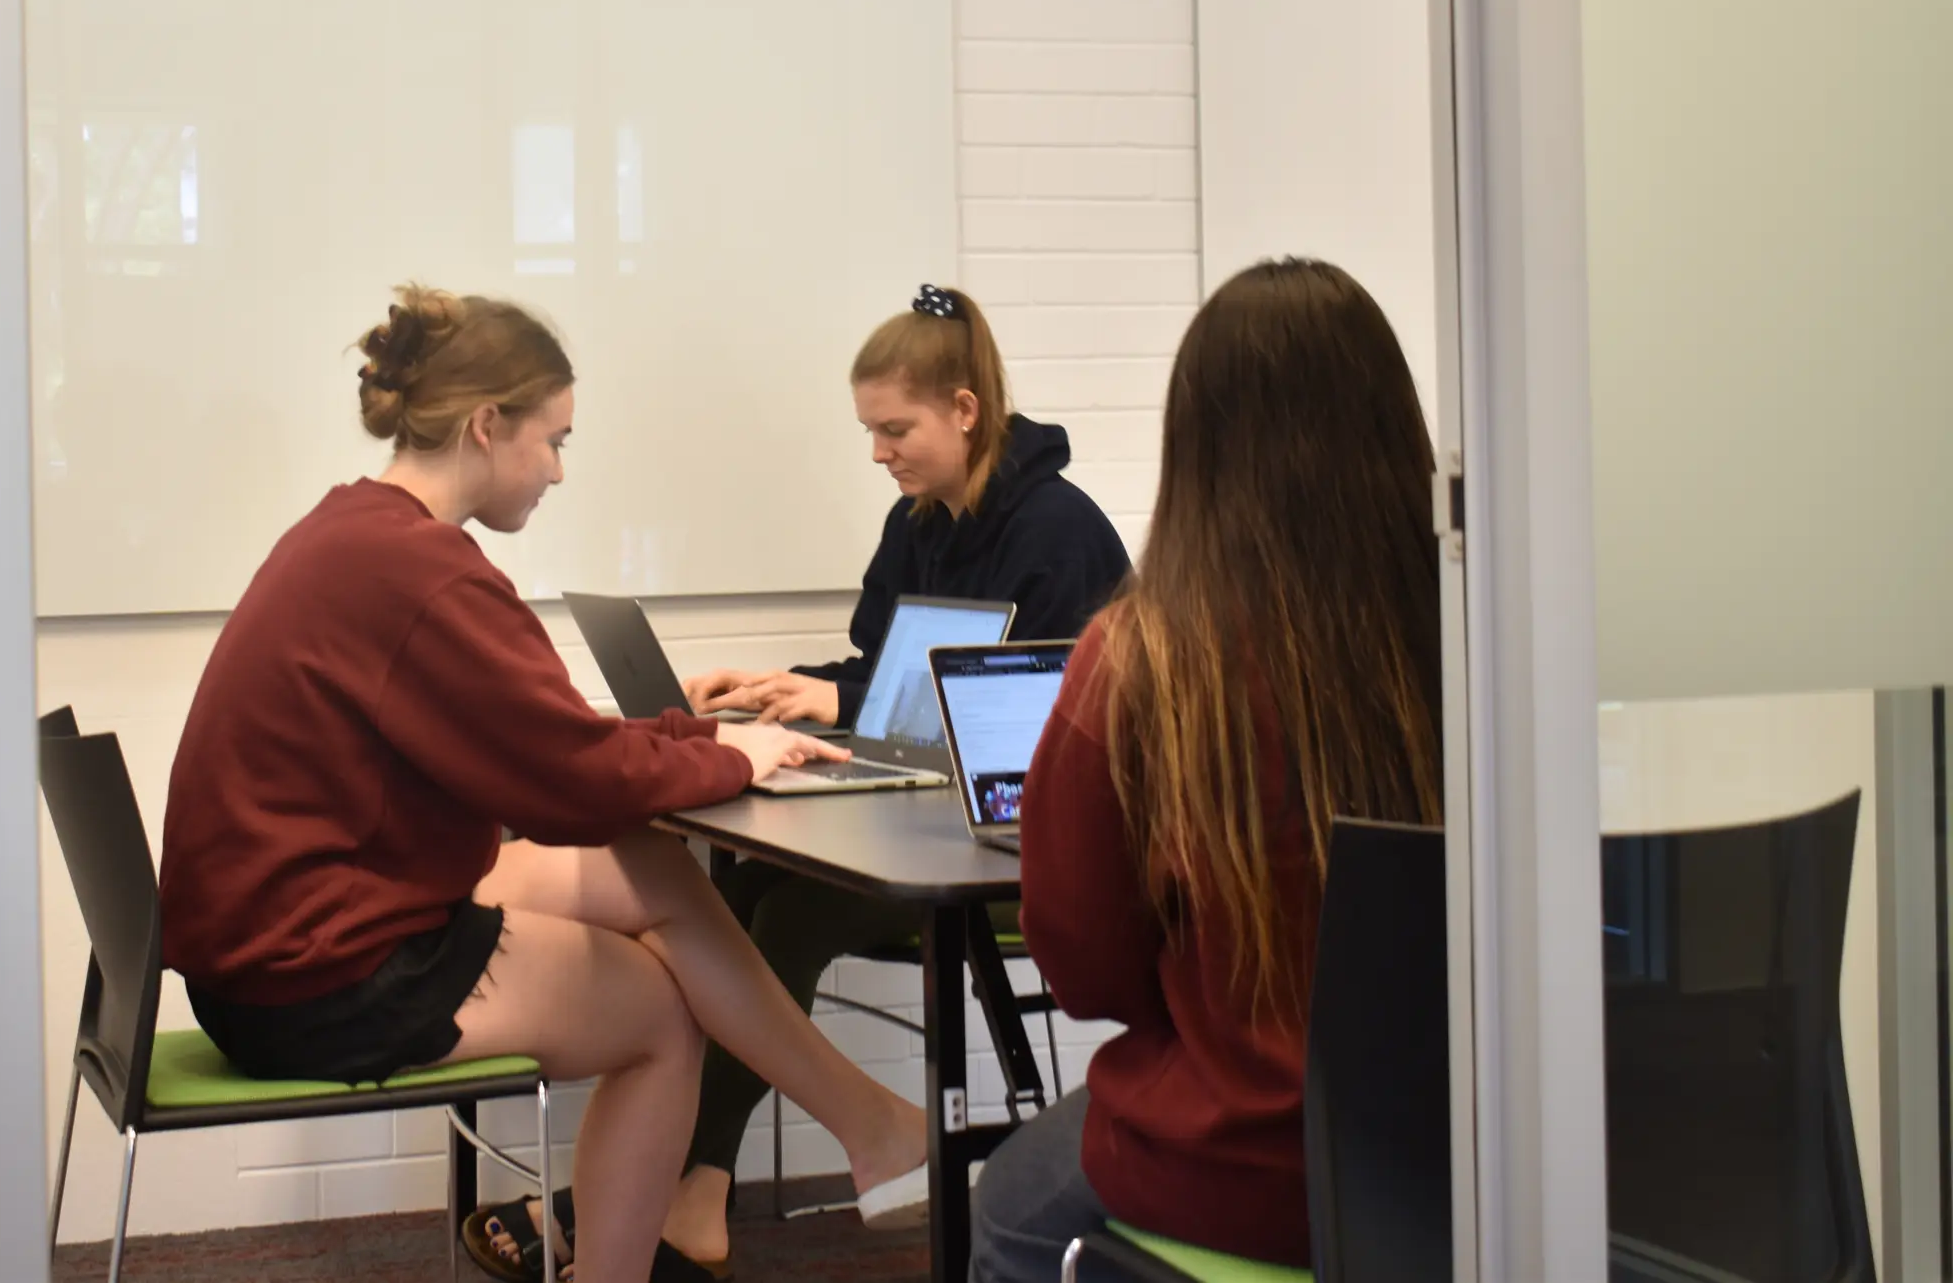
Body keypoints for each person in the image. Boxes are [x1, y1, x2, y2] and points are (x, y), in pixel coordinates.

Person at [158, 286, 931, 1283]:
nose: (560, 470)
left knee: (648, 870)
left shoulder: (358, 535)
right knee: (660, 1016)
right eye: (554, 441)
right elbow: (563, 785)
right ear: (487, 425)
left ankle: (869, 1125)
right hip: (319, 976)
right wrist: (735, 756)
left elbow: (532, 742)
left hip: (282, 943)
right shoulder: (420, 573)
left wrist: (691, 734)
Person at [968, 259, 1444, 1283]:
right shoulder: (1474, 638)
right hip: (1473, 1157)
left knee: (1007, 1209)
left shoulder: (1143, 662)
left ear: (1198, 447)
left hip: (1246, 1170)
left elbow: (1086, 973)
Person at [662, 284, 1132, 1269]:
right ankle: (692, 1184)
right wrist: (793, 688)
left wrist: (847, 704)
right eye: (869, 430)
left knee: (785, 917)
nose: (878, 452)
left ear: (965, 410)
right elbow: (889, 677)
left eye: (894, 428)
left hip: (1023, 851)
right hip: (930, 821)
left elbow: (1022, 719)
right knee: (743, 885)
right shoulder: (916, 521)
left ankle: (692, 1185)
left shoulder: (1059, 533)